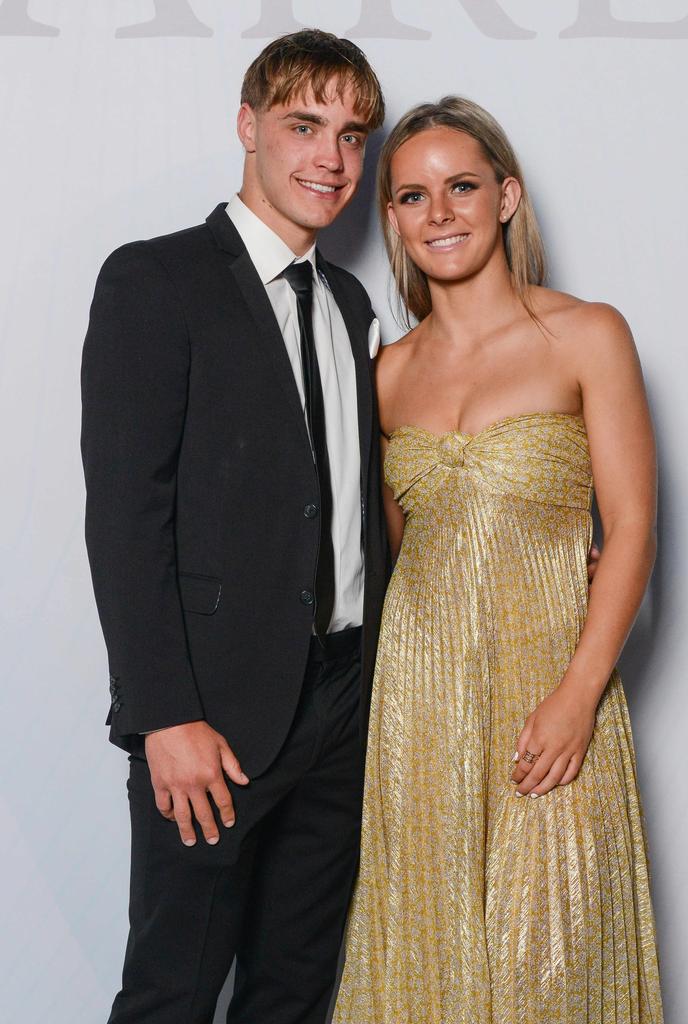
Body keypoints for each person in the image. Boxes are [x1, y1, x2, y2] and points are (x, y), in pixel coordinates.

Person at [80, 30, 389, 1024]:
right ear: (248, 125)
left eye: (350, 136)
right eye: (305, 126)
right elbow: (126, 517)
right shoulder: (155, 281)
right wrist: (162, 714)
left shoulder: (349, 305)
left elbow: (358, 505)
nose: (330, 161)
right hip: (211, 716)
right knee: (174, 991)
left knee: (294, 994)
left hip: (345, 707)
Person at [333, 97, 664, 1023]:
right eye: (412, 195)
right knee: (426, 962)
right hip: (420, 707)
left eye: (462, 185)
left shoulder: (589, 334)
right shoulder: (387, 372)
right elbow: (396, 558)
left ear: (507, 196)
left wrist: (577, 695)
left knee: (551, 965)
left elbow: (633, 527)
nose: (439, 212)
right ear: (391, 217)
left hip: (549, 693)